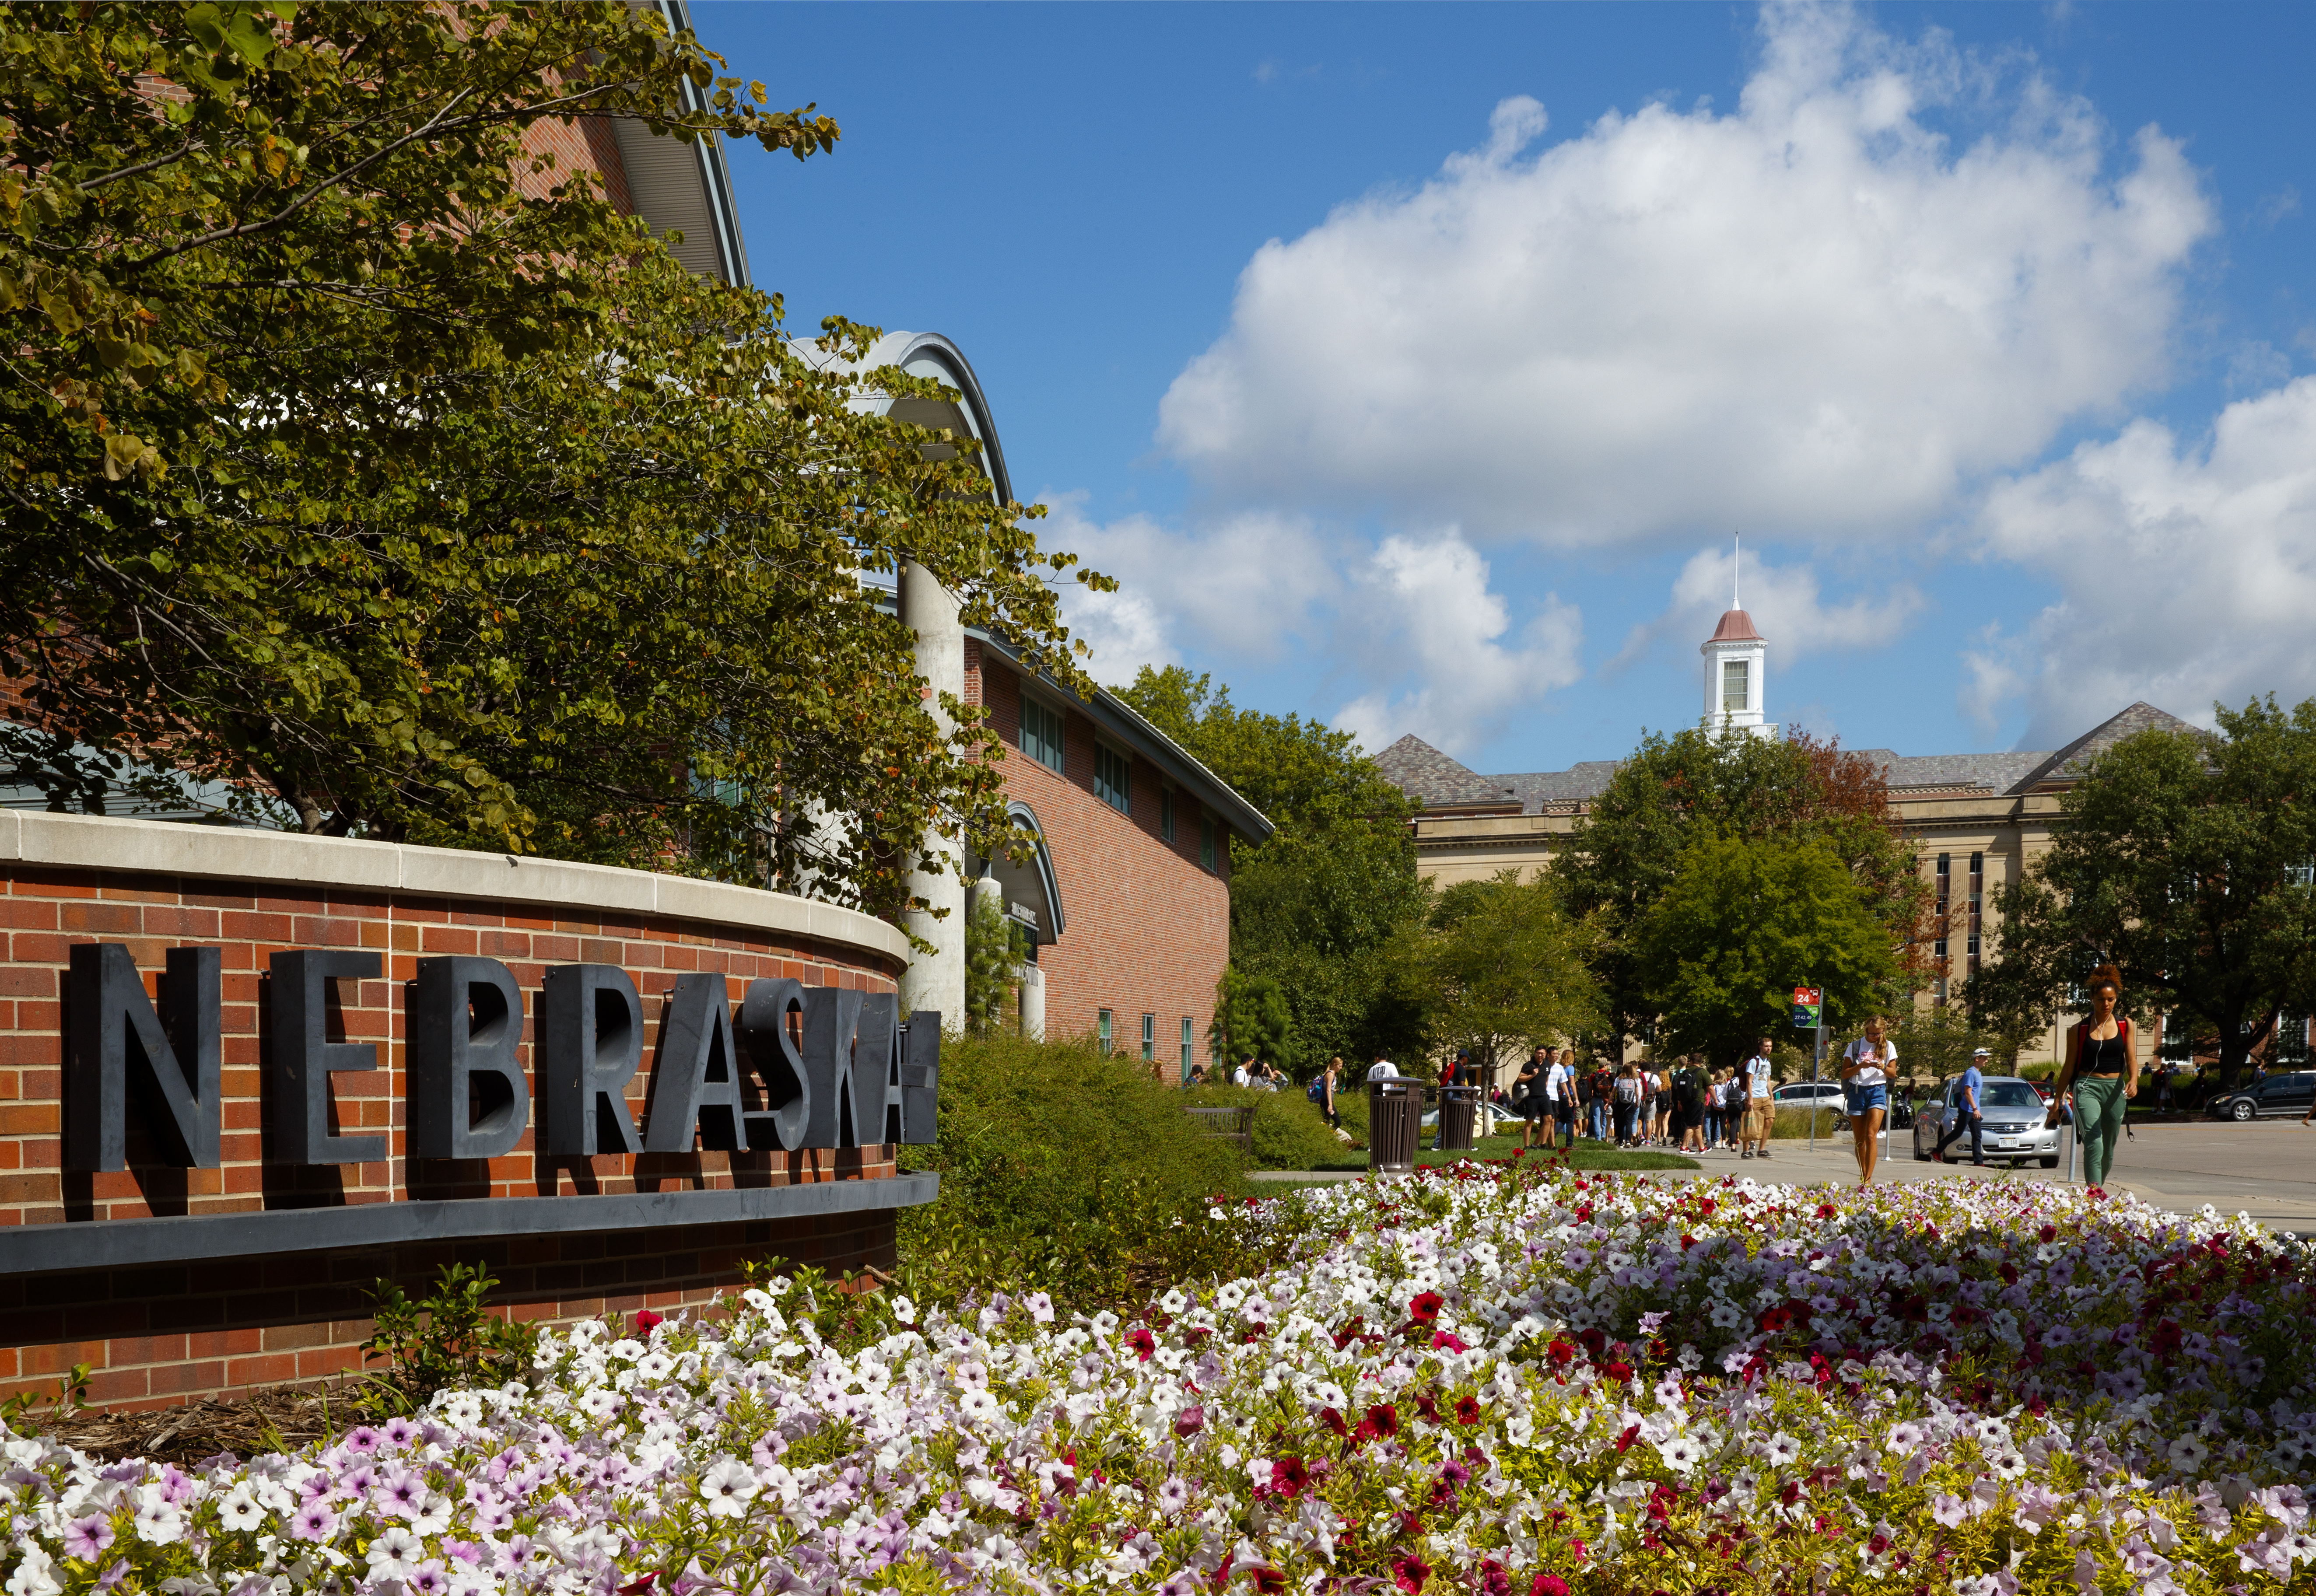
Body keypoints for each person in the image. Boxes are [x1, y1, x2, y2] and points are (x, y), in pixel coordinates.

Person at [2046, 964, 2137, 1188]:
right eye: (2100, 999)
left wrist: (2134, 1081)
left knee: (2108, 1148)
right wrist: (2058, 1101)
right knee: (2094, 1143)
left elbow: (2132, 1059)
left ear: (2116, 999)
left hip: (2116, 1089)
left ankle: (2099, 1193)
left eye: (2111, 1000)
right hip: (2087, 1087)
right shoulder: (2079, 1029)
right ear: (2092, 998)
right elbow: (2068, 1067)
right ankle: (2093, 1194)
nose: (2106, 1004)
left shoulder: (2126, 1025)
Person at [1838, 1014, 1896, 1186]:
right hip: (1857, 1091)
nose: (1874, 1037)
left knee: (1871, 1135)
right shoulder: (1855, 1046)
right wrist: (1860, 1066)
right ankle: (1864, 1175)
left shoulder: (1888, 1046)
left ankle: (1868, 1180)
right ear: (1866, 1030)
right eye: (1871, 1034)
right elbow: (1845, 1073)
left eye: (1878, 1034)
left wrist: (1883, 1067)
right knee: (1860, 1140)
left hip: (1878, 1090)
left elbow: (1893, 1074)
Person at [1934, 1047, 1989, 1166]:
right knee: (1958, 1133)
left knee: (1977, 1136)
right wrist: (1975, 1109)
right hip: (1967, 1109)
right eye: (1984, 1058)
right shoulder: (1971, 1073)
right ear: (1977, 1059)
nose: (1987, 1061)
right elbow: (1968, 1093)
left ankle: (1978, 1162)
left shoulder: (1978, 1073)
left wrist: (1977, 1110)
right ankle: (1937, 1151)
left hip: (1974, 1110)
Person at [1742, 1036, 1776, 1159]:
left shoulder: (1768, 1062)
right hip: (1754, 1097)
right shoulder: (1754, 1062)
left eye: (1770, 1046)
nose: (1769, 1049)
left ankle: (1762, 1149)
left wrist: (1771, 1096)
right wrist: (1750, 1098)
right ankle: (1746, 1151)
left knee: (1770, 1119)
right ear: (1761, 1047)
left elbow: (1768, 1080)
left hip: (1765, 1097)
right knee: (1750, 1122)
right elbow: (1749, 1081)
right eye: (1766, 1046)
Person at [1513, 1046, 1546, 1148]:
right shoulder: (1529, 1065)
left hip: (1544, 1096)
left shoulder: (1547, 1065)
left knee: (1548, 1120)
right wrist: (1532, 1075)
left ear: (1545, 1054)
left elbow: (1546, 1078)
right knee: (1530, 1121)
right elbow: (1520, 1079)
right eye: (1538, 1053)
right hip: (1532, 1097)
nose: (1540, 1055)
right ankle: (1527, 1146)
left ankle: (1542, 1144)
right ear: (1535, 1053)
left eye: (1542, 1053)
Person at [1612, 1063, 1643, 1145]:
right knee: (1630, 1122)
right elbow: (1637, 1093)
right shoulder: (1635, 1080)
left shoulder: (1619, 1079)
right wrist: (1637, 1102)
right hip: (1631, 1103)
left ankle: (1622, 1141)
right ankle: (1629, 1141)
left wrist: (1609, 1102)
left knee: (1621, 1122)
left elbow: (1613, 1091)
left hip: (1620, 1103)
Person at [1317, 1055, 1342, 1129]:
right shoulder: (1330, 1075)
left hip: (1328, 1101)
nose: (1341, 1068)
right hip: (1326, 1102)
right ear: (1335, 1065)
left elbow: (1330, 1090)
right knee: (1337, 1122)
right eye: (1340, 1066)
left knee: (1328, 1122)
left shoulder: (1333, 1075)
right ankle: (1325, 1135)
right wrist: (1330, 1105)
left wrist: (1337, 1091)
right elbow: (1328, 1090)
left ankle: (1327, 1134)